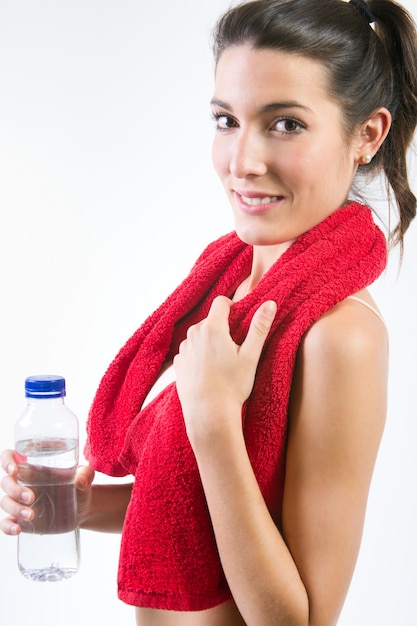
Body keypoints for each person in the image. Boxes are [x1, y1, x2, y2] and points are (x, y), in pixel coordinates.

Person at [2, 0, 417, 624]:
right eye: (227, 120)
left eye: (286, 124)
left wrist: (216, 421)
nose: (242, 161)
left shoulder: (342, 335)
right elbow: (194, 503)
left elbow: (301, 619)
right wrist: (78, 506)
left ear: (367, 135)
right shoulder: (228, 285)